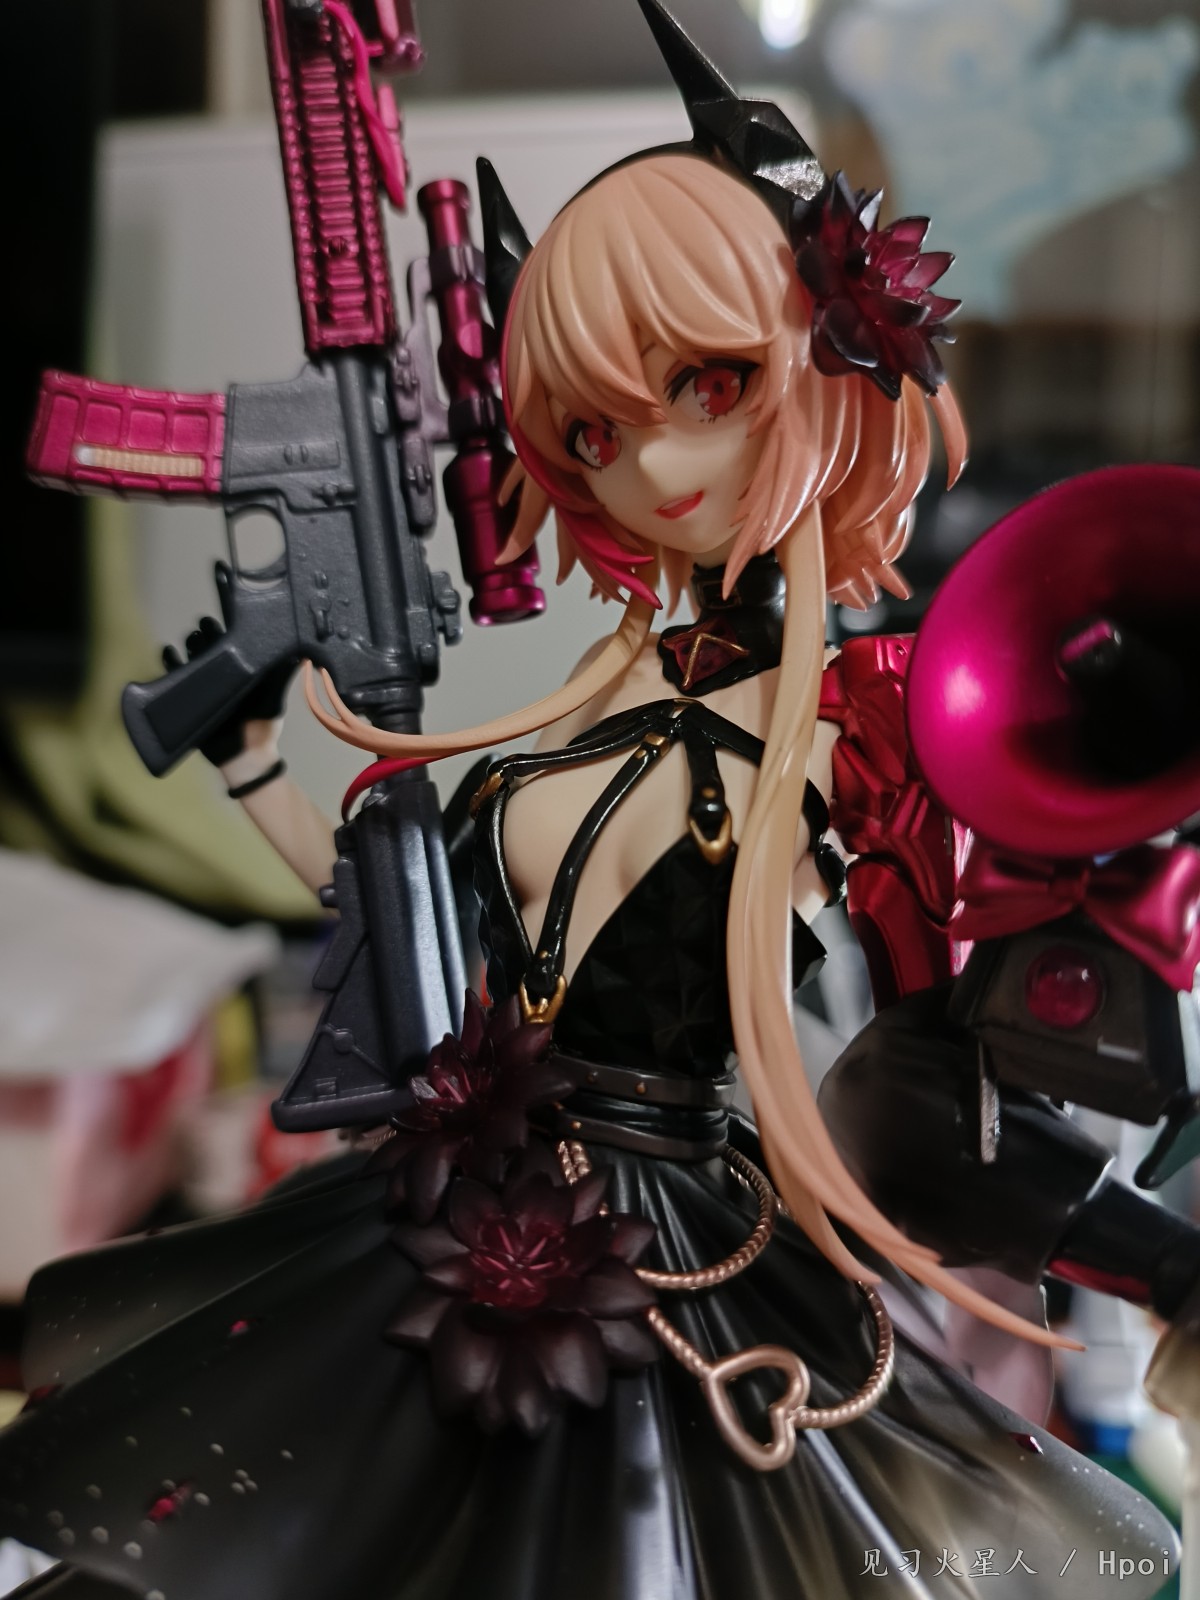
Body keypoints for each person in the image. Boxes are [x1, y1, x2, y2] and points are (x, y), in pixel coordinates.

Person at [0, 5, 1189, 1598]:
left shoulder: (858, 726)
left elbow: (923, 1110)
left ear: (840, 366)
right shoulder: (580, 705)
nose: (654, 460)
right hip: (457, 1215)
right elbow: (399, 944)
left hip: (676, 1259)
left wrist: (1157, 1259)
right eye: (592, 428)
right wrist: (257, 763)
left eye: (709, 382)